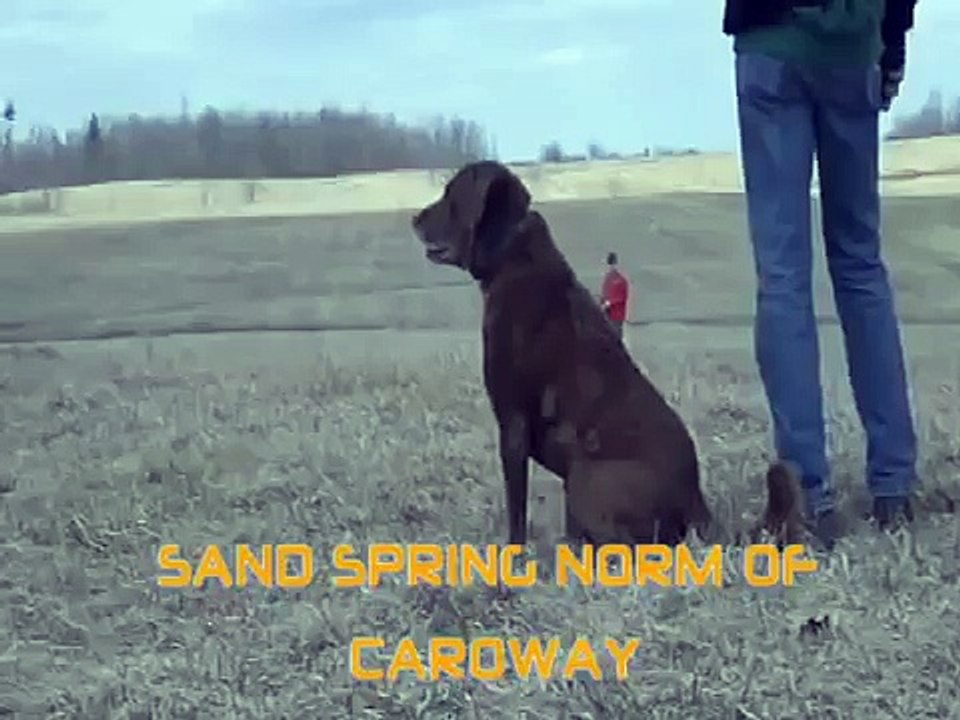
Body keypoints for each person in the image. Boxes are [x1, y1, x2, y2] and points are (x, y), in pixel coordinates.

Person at [723, 0, 920, 549]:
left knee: (782, 275)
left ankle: (807, 496)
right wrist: (892, 46)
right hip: (855, 44)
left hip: (771, 43)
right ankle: (894, 486)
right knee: (860, 264)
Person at [600, 252, 629, 339]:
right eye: (609, 265)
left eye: (612, 265)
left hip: (616, 314)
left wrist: (606, 304)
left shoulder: (620, 280)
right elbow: (604, 293)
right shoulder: (608, 278)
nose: (610, 268)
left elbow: (619, 298)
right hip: (609, 314)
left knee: (615, 334)